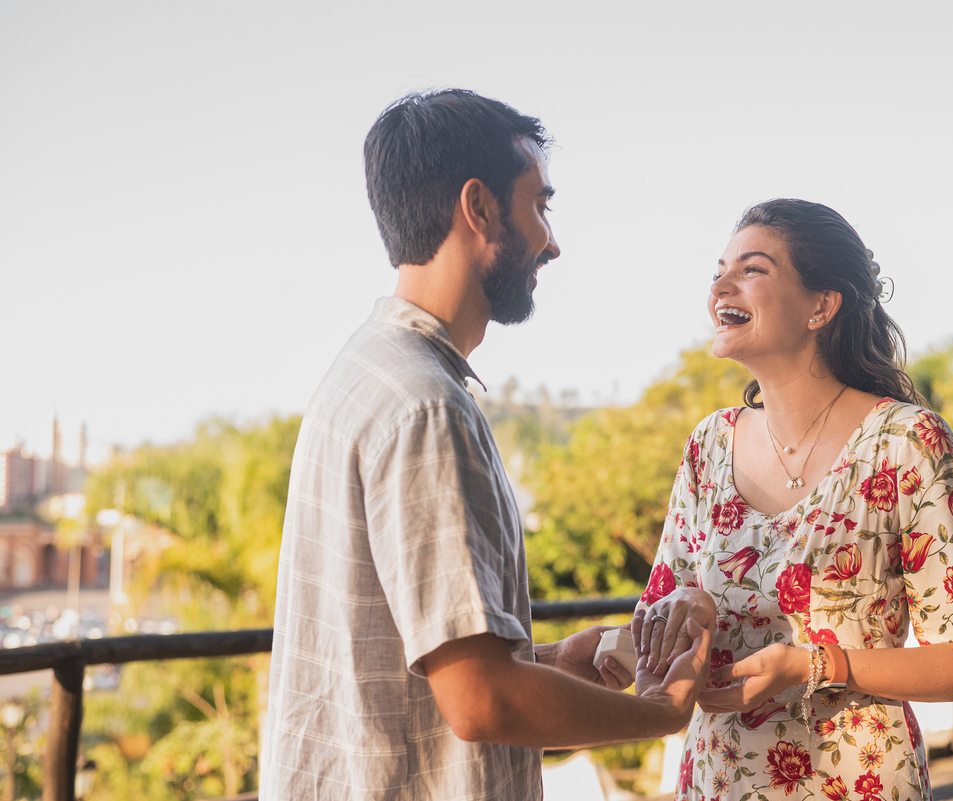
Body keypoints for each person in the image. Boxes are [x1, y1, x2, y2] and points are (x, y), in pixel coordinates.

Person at [259, 89, 710, 801]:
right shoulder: (427, 406)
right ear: (480, 208)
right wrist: (659, 712)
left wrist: (554, 660)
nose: (552, 241)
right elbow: (479, 700)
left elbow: (440, 662)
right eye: (540, 205)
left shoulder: (365, 372)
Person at [634, 199, 953, 801]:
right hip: (716, 779)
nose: (720, 286)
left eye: (752, 269)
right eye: (718, 270)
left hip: (857, 781)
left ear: (821, 305)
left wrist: (813, 664)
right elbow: (656, 628)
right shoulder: (710, 444)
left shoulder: (907, 442)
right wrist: (623, 634)